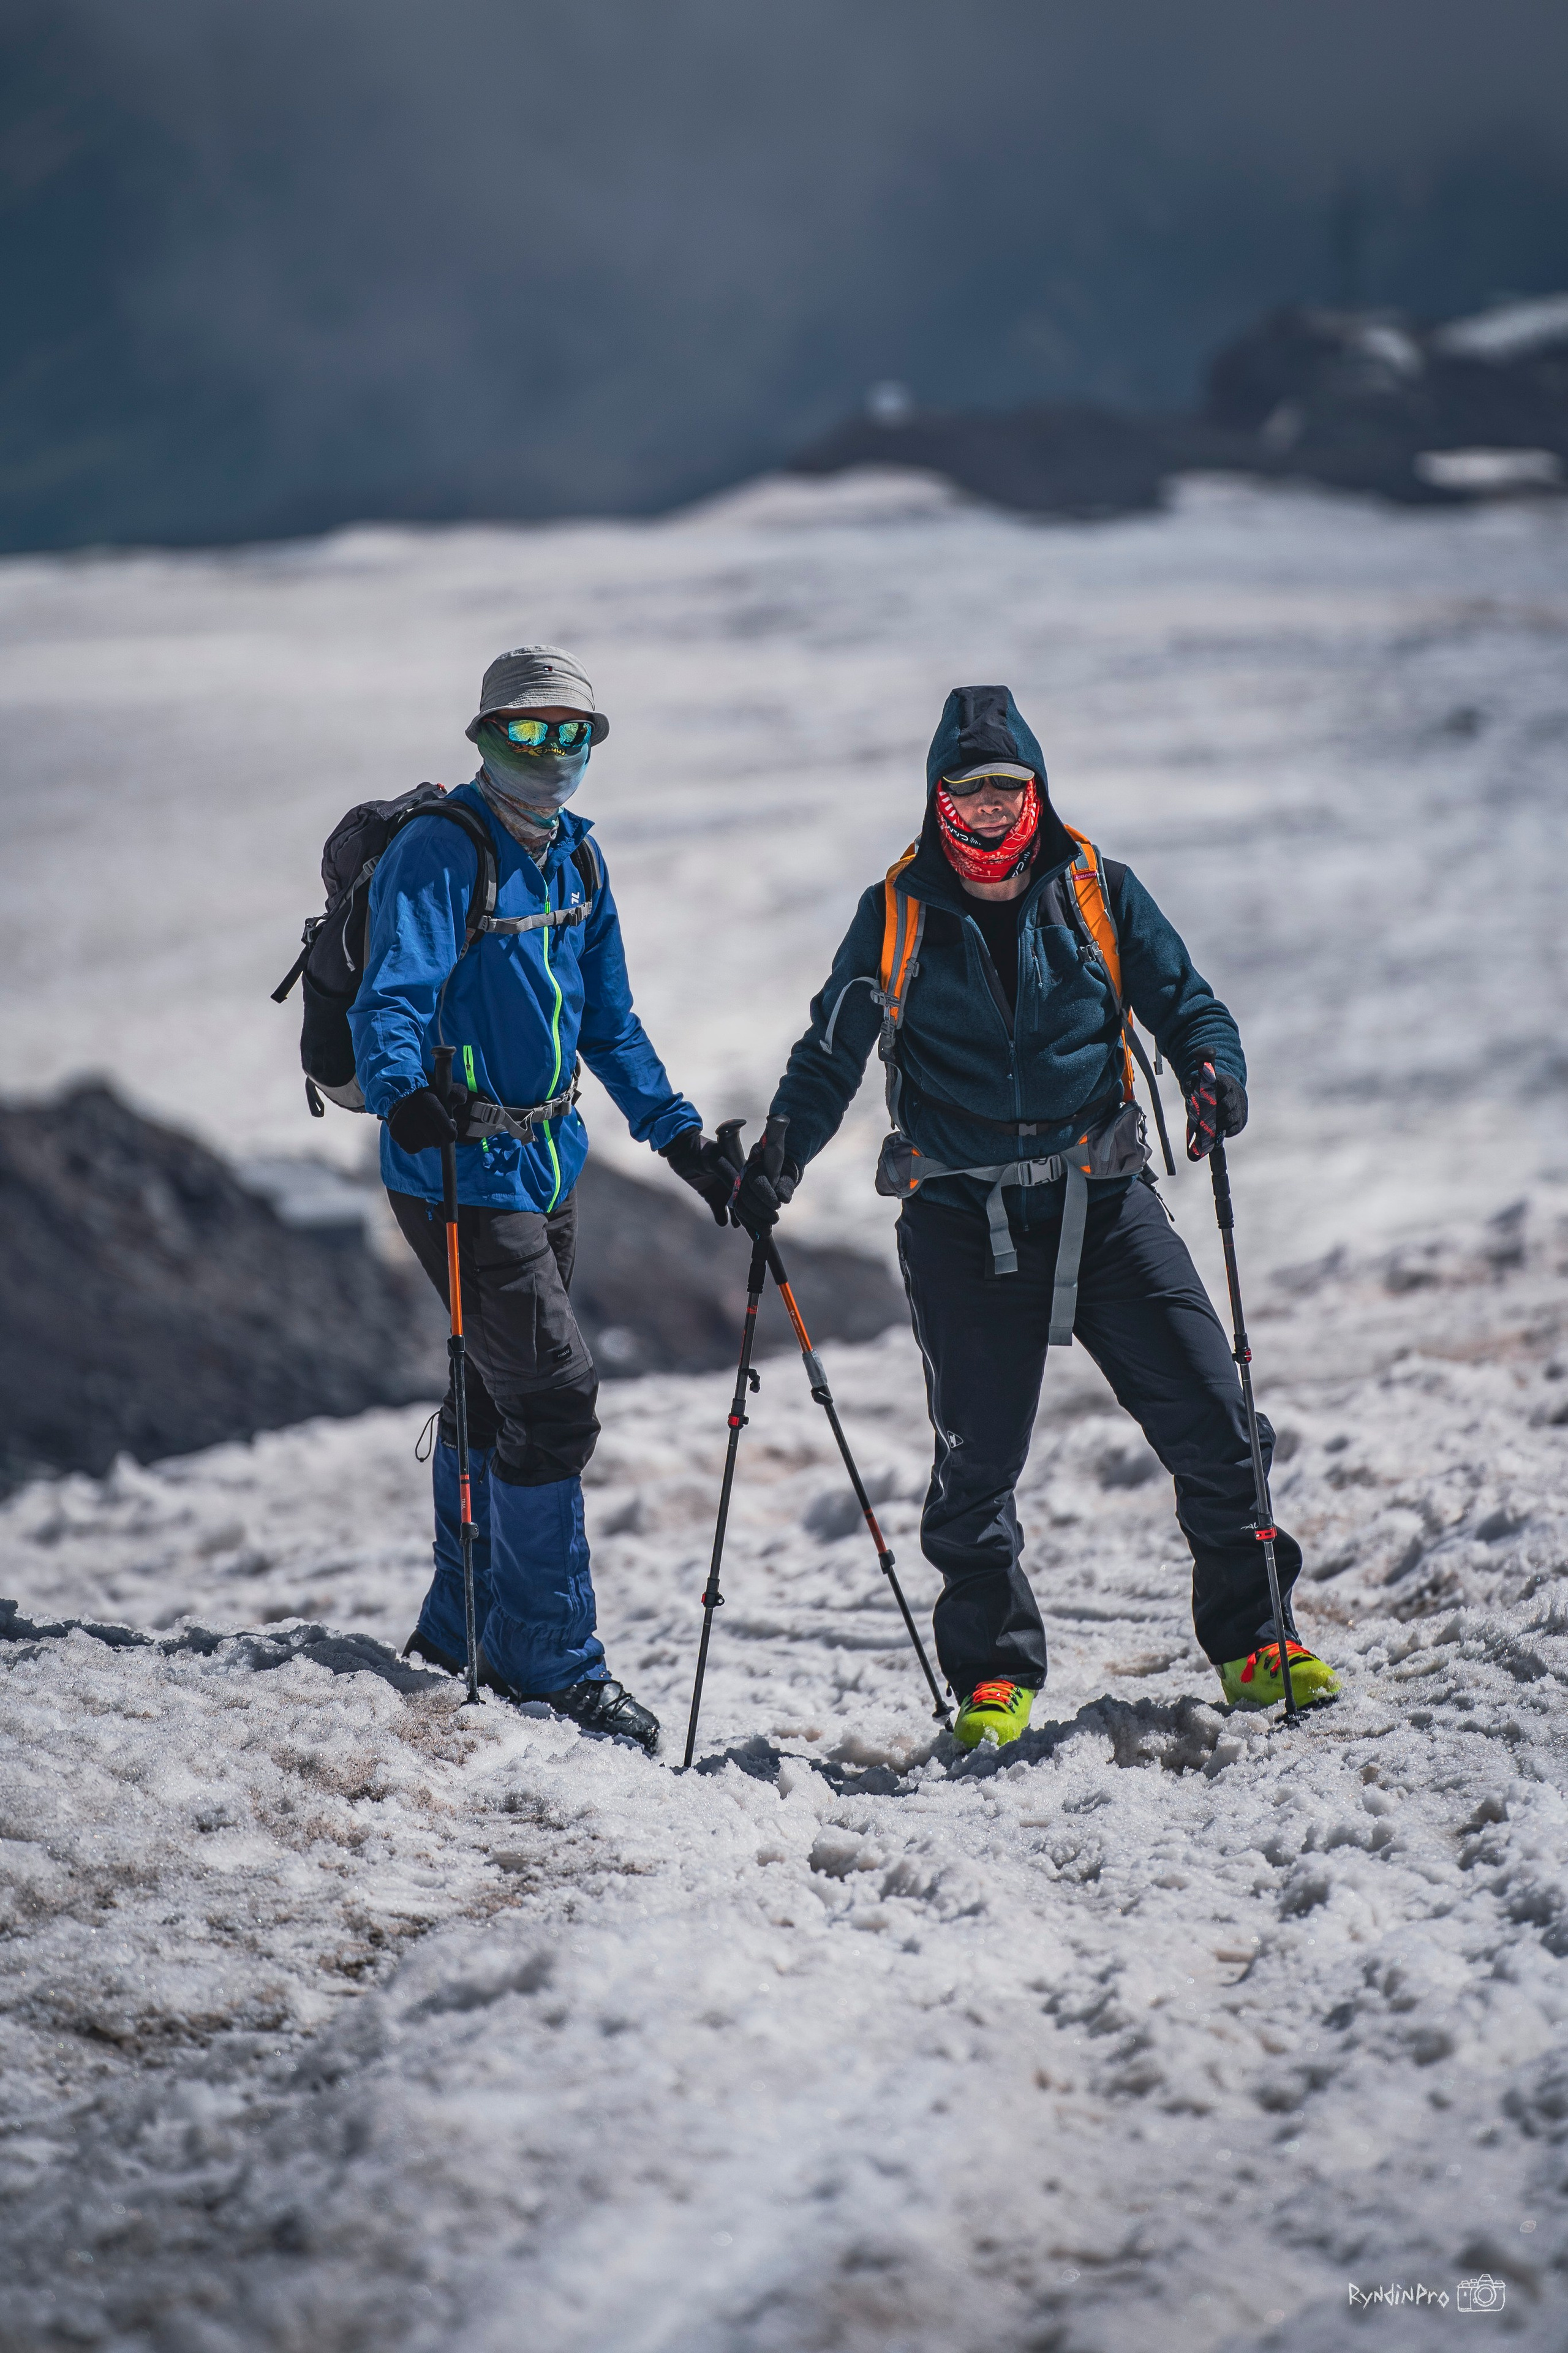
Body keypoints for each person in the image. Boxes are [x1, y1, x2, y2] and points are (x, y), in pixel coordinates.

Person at [734, 683, 1338, 1750]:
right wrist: (782, 1150)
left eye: (1003, 789)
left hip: (1105, 1201)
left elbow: (1188, 1001)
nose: (984, 813)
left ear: (1037, 788)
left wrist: (1212, 1068)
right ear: (935, 799)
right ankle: (994, 1680)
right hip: (960, 1218)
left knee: (1218, 1419)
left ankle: (1256, 1639)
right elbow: (831, 1049)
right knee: (977, 1465)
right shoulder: (898, 912)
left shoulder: (1100, 888)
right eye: (963, 793)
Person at [349, 645, 734, 1751]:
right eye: (529, 732)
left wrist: (682, 1140)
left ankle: (460, 1621)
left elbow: (608, 1023)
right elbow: (393, 996)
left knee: (495, 1386)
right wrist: (404, 1096)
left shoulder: (578, 861)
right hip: (457, 1176)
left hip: (547, 1164)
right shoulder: (440, 848)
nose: (551, 754)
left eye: (572, 734)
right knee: (557, 1400)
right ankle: (553, 1658)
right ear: (484, 736)